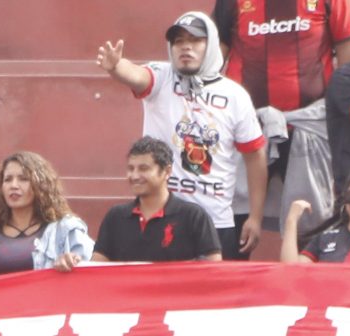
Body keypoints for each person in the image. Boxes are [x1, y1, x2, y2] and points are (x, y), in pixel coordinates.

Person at [96, 18, 269, 256]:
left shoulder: (235, 95)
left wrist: (255, 217)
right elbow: (136, 75)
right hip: (165, 220)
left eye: (195, 40)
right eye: (179, 41)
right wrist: (116, 67)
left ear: (212, 46)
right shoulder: (162, 77)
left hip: (217, 221)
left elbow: (255, 155)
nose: (186, 47)